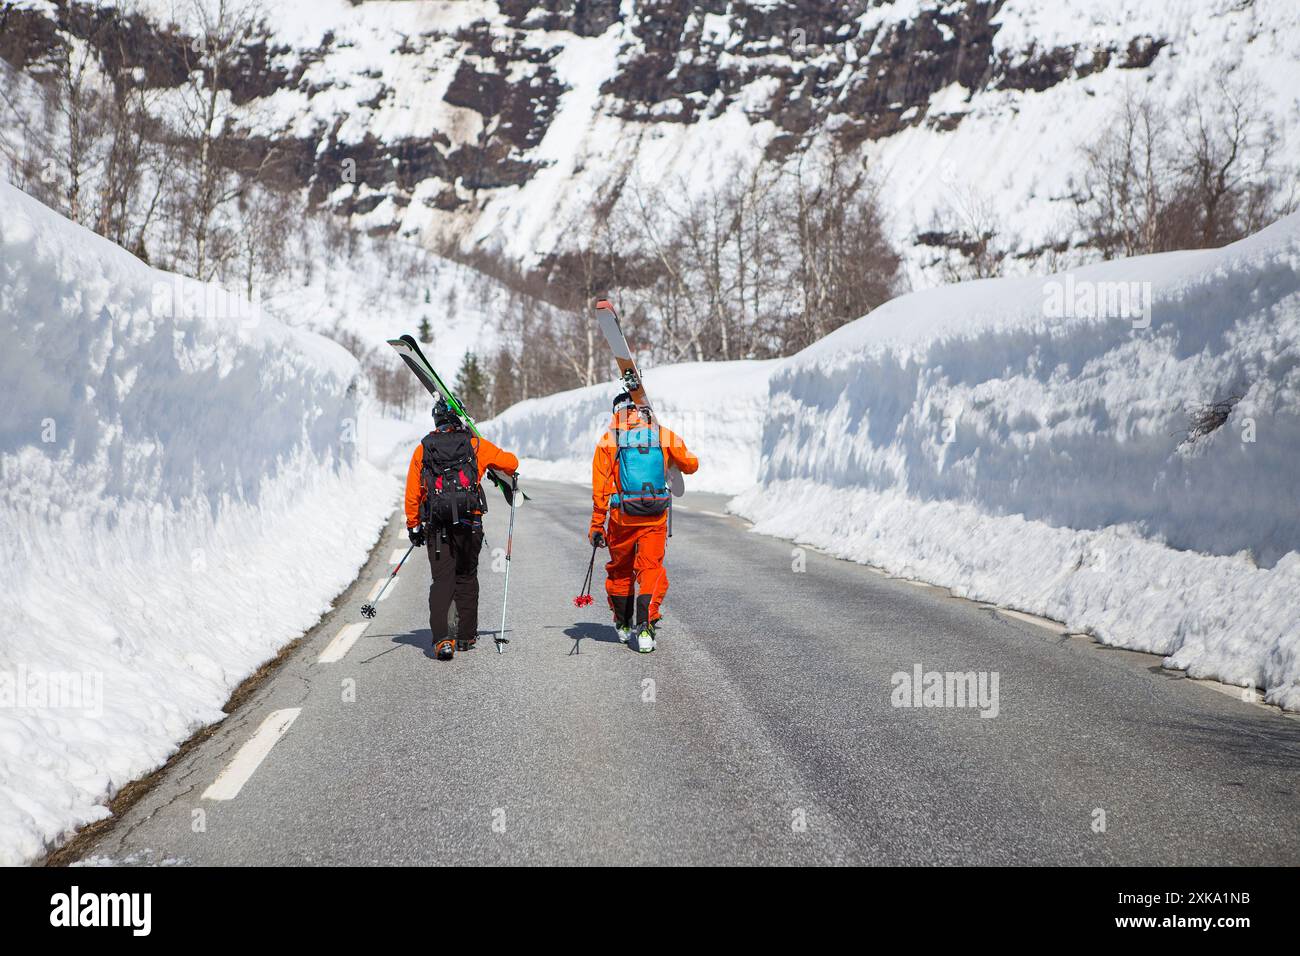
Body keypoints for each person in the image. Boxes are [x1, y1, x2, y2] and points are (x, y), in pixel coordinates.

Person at [405, 398, 519, 659]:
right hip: (470, 523)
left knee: (442, 580)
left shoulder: (423, 449)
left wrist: (413, 524)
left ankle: (443, 641)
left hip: (437, 526)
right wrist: (487, 464)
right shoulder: (475, 444)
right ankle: (466, 636)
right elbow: (512, 463)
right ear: (461, 418)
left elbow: (413, 491)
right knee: (466, 577)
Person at [589, 392, 699, 653]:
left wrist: (597, 525)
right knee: (650, 569)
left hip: (622, 518)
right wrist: (672, 461)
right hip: (655, 515)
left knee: (620, 570)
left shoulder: (609, 440)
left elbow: (601, 488)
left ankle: (623, 624)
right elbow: (692, 464)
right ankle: (646, 625)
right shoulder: (662, 434)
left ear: (617, 412)